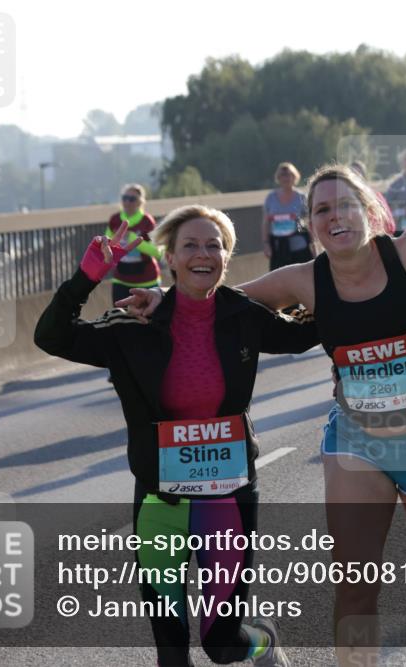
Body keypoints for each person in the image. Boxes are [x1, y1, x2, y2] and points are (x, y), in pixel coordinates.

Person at [117, 167, 406, 667]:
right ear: (310, 225)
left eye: (345, 205)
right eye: (322, 210)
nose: (335, 216)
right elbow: (211, 304)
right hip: (356, 440)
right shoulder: (302, 280)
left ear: (369, 210)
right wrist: (161, 300)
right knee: (356, 583)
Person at [35, 210, 320, 667]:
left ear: (227, 257)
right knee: (171, 653)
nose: (202, 254)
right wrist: (85, 279)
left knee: (222, 646)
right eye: (190, 245)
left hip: (227, 498)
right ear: (169, 258)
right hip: (158, 503)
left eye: (214, 245)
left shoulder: (244, 316)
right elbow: (50, 337)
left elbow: (313, 331)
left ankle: (264, 638)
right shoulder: (133, 323)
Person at [107, 184, 162, 303]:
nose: (127, 202)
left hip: (147, 281)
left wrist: (133, 239)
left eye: (132, 199)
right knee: (119, 318)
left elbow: (157, 252)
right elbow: (106, 245)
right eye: (124, 198)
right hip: (120, 279)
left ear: (140, 202)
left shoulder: (147, 221)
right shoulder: (115, 220)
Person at [262, 163, 314, 270]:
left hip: (299, 245)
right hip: (278, 247)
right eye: (282, 175)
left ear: (294, 177)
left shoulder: (301, 197)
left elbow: (310, 221)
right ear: (278, 178)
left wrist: (314, 244)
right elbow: (266, 222)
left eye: (288, 175)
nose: (286, 178)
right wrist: (266, 244)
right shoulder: (271, 198)